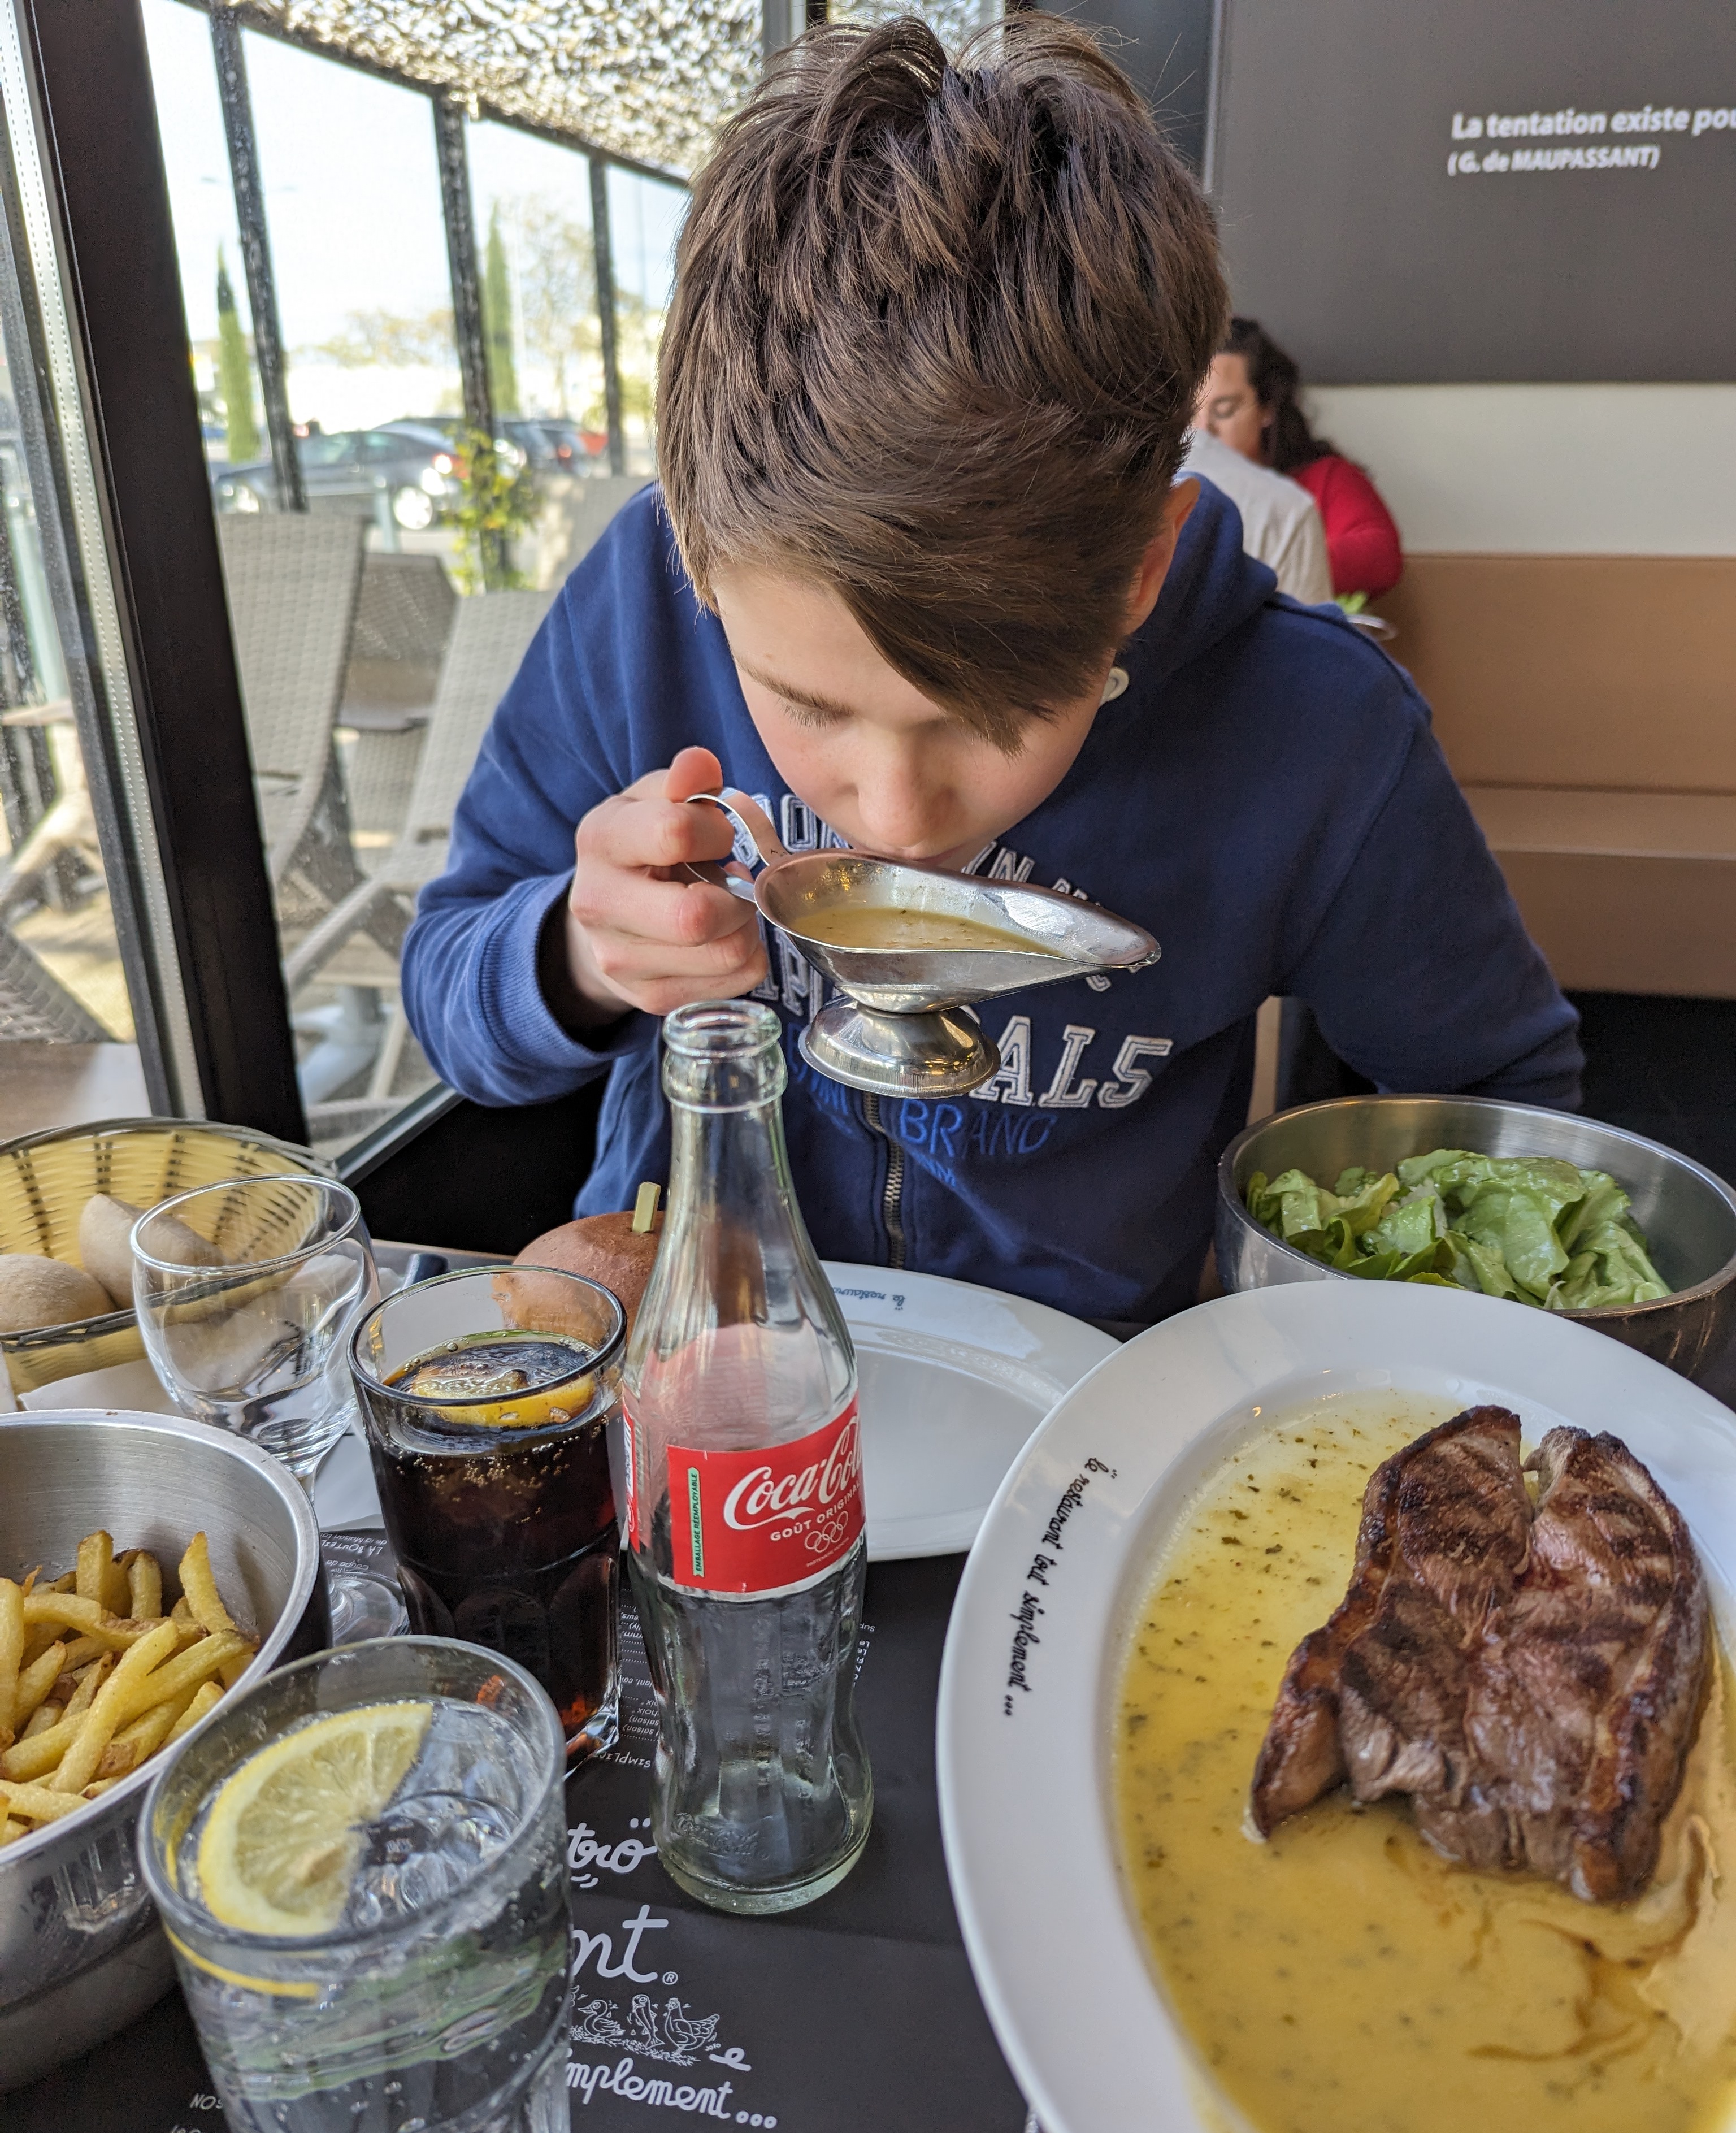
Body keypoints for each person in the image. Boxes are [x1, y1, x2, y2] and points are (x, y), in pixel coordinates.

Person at [402, 19, 1578, 1329]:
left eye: (990, 715)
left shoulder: (1319, 735)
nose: (896, 818)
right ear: (699, 556)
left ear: (1141, 572)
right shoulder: (644, 598)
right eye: (806, 704)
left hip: (1079, 1381)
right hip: (698, 1350)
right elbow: (449, 996)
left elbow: (1503, 1106)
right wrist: (576, 948)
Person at [1196, 317, 1404, 602]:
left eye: (1224, 410)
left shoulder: (1323, 479)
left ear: (1268, 408)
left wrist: (1280, 562)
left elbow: (1380, 555)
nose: (1203, 430)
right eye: (1190, 412)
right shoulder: (1167, 485)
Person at [1178, 427, 1333, 605]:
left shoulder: (1298, 499)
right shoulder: (1290, 510)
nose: (1207, 425)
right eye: (1197, 416)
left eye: (1225, 413)